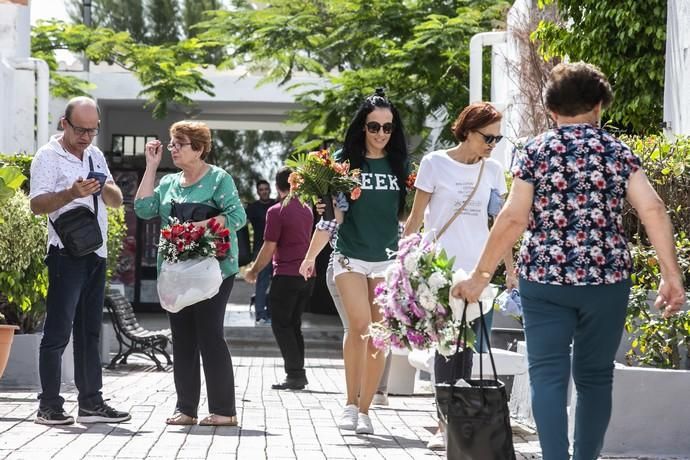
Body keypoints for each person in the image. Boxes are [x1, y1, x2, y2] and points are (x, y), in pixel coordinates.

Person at [453, 62, 687, 460]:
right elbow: (653, 209)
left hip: (544, 279)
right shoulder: (617, 153)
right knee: (596, 377)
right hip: (606, 279)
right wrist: (671, 273)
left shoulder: (536, 151)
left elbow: (512, 218)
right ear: (598, 106)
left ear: (551, 110)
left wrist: (480, 276)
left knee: (547, 375)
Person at [402, 101, 518, 449]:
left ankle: (456, 422)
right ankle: (443, 425)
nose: (492, 145)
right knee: (445, 346)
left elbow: (500, 224)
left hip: (479, 272)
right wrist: (403, 262)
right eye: (488, 137)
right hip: (440, 271)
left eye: (497, 139)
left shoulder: (494, 170)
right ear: (467, 130)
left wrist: (510, 270)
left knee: (466, 349)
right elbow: (416, 218)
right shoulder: (434, 164)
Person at [300, 88, 408, 435]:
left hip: (387, 260)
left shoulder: (401, 166)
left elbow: (410, 214)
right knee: (359, 327)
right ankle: (349, 403)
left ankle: (365, 410)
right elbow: (333, 218)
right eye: (374, 127)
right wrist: (310, 256)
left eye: (387, 128)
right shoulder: (343, 164)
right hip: (350, 256)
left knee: (380, 336)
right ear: (362, 126)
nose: (380, 134)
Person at [134, 121, 246, 426]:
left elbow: (238, 216)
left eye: (178, 144)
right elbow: (144, 209)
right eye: (171, 143)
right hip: (176, 272)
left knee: (209, 335)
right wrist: (151, 167)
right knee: (182, 338)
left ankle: (224, 411)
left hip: (215, 270)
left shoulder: (219, 179)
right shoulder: (169, 183)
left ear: (198, 148)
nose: (172, 149)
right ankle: (186, 409)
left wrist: (196, 230)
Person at [29, 96, 130, 425]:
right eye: (80, 129)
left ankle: (90, 403)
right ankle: (49, 405)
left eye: (92, 130)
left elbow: (116, 200)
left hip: (95, 253)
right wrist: (71, 193)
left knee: (90, 332)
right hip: (65, 254)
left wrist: (101, 188)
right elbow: (37, 205)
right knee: (57, 332)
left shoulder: (95, 155)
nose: (86, 136)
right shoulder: (48, 156)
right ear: (64, 123)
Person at [299, 218, 394, 407]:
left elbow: (327, 223)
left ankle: (369, 391)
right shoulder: (343, 193)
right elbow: (329, 221)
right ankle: (370, 392)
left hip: (377, 262)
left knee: (369, 328)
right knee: (363, 327)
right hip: (350, 262)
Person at [245, 167, 314, 390]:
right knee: (294, 325)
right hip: (307, 276)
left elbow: (269, 246)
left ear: (277, 187)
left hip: (286, 275)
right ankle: (298, 374)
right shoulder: (307, 209)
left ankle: (294, 375)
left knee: (282, 325)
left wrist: (253, 270)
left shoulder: (276, 211)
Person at [245, 179, 277, 325]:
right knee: (262, 282)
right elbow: (241, 224)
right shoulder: (253, 208)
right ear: (258, 192)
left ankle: (271, 313)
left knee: (275, 283)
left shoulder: (276, 204)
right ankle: (260, 314)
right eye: (261, 189)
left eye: (266, 189)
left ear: (270, 190)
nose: (264, 191)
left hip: (277, 248)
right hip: (260, 249)